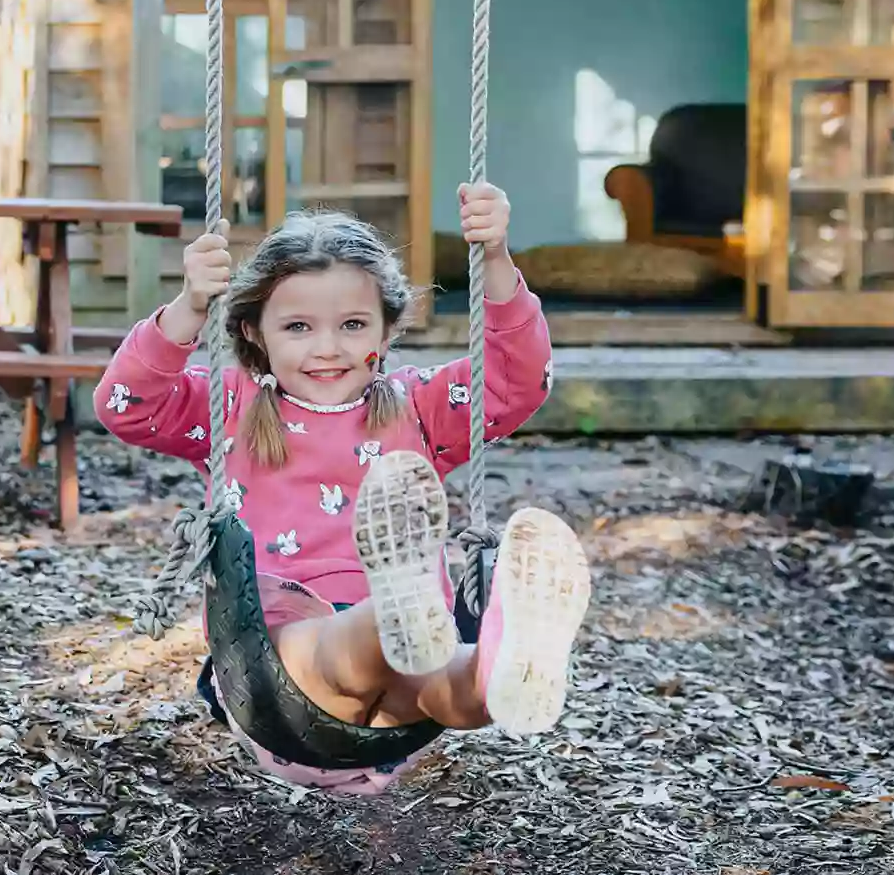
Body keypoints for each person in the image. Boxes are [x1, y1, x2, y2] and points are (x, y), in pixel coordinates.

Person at [96, 189, 591, 793]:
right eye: (299, 326)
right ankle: (399, 610)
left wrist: (495, 259)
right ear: (253, 332)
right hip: (276, 671)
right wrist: (189, 304)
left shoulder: (419, 409)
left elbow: (517, 382)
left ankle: (504, 670)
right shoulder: (232, 406)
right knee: (355, 646)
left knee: (444, 684)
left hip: (397, 707)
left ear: (386, 329)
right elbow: (126, 405)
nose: (327, 347)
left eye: (353, 325)